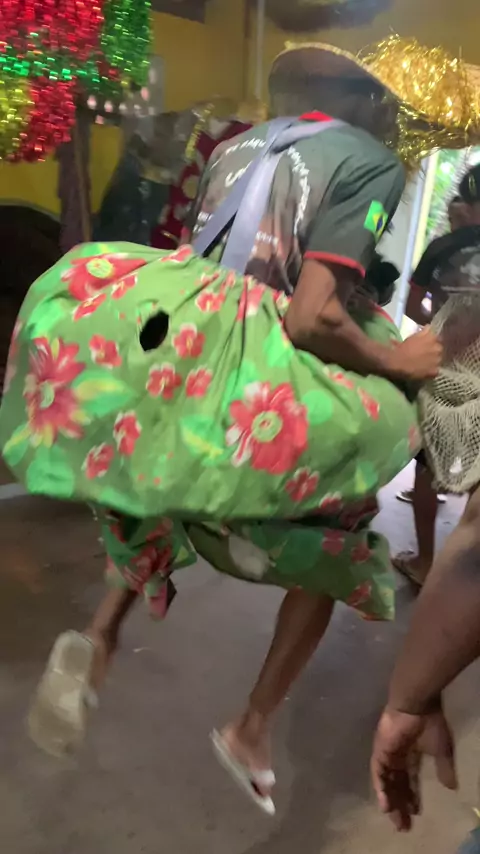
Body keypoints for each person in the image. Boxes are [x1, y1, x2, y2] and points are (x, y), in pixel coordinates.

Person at [0, 36, 474, 815]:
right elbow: (311, 315)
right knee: (342, 537)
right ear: (371, 104)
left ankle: (99, 635)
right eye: (394, 114)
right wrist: (397, 361)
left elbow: (218, 258)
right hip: (263, 355)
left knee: (163, 477)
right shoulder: (370, 163)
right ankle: (251, 727)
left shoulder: (241, 144)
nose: (397, 130)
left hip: (191, 333)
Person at [371, 164, 480, 842]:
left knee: (437, 481)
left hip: (449, 387)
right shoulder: (455, 252)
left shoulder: (456, 255)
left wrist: (410, 697)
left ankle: (424, 557)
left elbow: (418, 313)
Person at [394, 194, 471, 587]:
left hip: (445, 365)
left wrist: (439, 322)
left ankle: (425, 563)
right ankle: (466, 571)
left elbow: (411, 306)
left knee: (426, 464)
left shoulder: (442, 248)